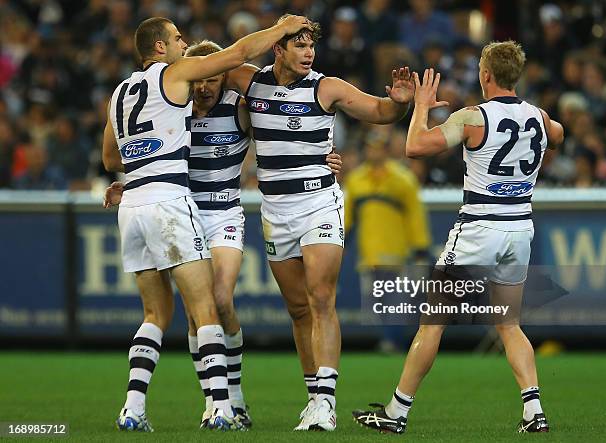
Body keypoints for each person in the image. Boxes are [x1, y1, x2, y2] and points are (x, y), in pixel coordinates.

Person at [103, 38, 343, 430]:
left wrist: (320, 157)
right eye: (201, 80)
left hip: (222, 213)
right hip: (179, 207)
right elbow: (123, 153)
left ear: (223, 79)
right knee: (198, 315)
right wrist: (133, 181)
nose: (204, 87)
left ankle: (225, 402)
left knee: (216, 300)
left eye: (213, 79)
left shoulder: (240, 107)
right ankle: (224, 403)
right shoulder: (172, 104)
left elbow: (282, 135)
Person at [222, 15, 427, 431]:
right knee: (299, 309)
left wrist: (400, 102)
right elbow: (213, 66)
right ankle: (313, 396)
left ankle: (326, 403)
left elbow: (378, 110)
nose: (308, 52)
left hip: (319, 202)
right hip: (275, 212)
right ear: (277, 48)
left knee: (320, 297)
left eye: (311, 45)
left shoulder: (325, 86)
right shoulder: (249, 81)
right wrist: (274, 28)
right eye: (298, 45)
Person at [352, 41, 564, 434]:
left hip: (479, 227)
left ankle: (396, 413)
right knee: (509, 323)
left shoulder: (472, 117)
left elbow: (415, 147)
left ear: (485, 75)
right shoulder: (538, 115)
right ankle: (534, 411)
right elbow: (558, 135)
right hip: (519, 229)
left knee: (432, 324)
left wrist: (420, 107)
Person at [343, 131, 431, 351]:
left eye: (379, 147)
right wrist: (339, 241)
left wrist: (420, 248)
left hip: (395, 248)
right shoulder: (356, 180)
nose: (375, 152)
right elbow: (347, 218)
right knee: (379, 299)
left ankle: (393, 341)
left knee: (393, 298)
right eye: (372, 147)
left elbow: (415, 215)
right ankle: (396, 341)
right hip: (369, 251)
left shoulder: (402, 179)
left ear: (386, 150)